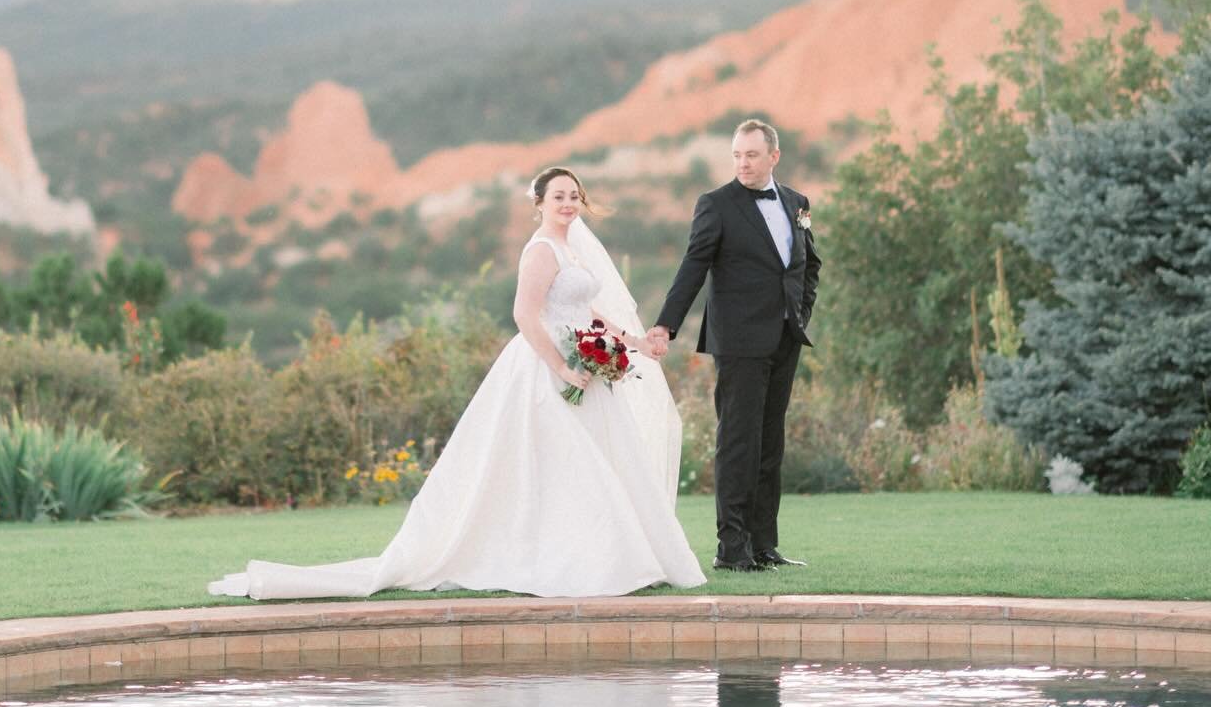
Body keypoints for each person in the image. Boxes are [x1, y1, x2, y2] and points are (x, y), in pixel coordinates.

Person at [207, 166, 705, 600]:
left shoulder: (572, 251)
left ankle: (603, 556)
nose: (569, 203)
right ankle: (572, 560)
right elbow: (525, 315)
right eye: (559, 196)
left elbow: (586, 311)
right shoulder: (541, 251)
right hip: (545, 367)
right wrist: (560, 367)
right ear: (540, 204)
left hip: (582, 362)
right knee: (562, 463)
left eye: (575, 195)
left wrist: (631, 342)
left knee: (591, 462)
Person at [642, 119, 820, 574]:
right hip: (739, 341)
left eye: (752, 155)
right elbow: (693, 266)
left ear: (773, 157)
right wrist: (666, 325)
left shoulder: (797, 202)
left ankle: (764, 544)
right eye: (737, 155)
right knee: (739, 442)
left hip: (785, 336)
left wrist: (800, 313)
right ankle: (731, 548)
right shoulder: (716, 205)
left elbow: (808, 264)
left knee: (770, 442)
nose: (743, 162)